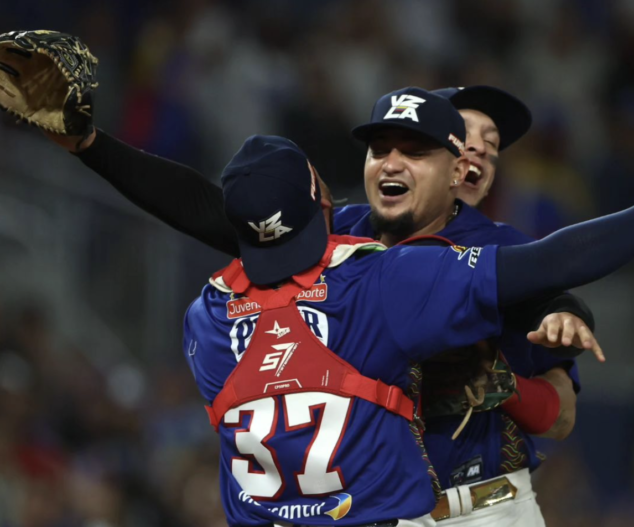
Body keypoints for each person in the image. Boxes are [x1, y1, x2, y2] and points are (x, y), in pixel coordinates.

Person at [46, 86, 598, 525]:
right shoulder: (341, 236)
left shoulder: (506, 254)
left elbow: (562, 415)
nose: (475, 145)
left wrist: (532, 355)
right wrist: (88, 144)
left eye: (490, 142)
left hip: (483, 508)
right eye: (460, 130)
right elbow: (209, 208)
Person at [185, 114, 634, 526]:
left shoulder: (204, 321)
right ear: (324, 205)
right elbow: (555, 260)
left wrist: (94, 147)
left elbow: (200, 209)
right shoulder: (380, 284)